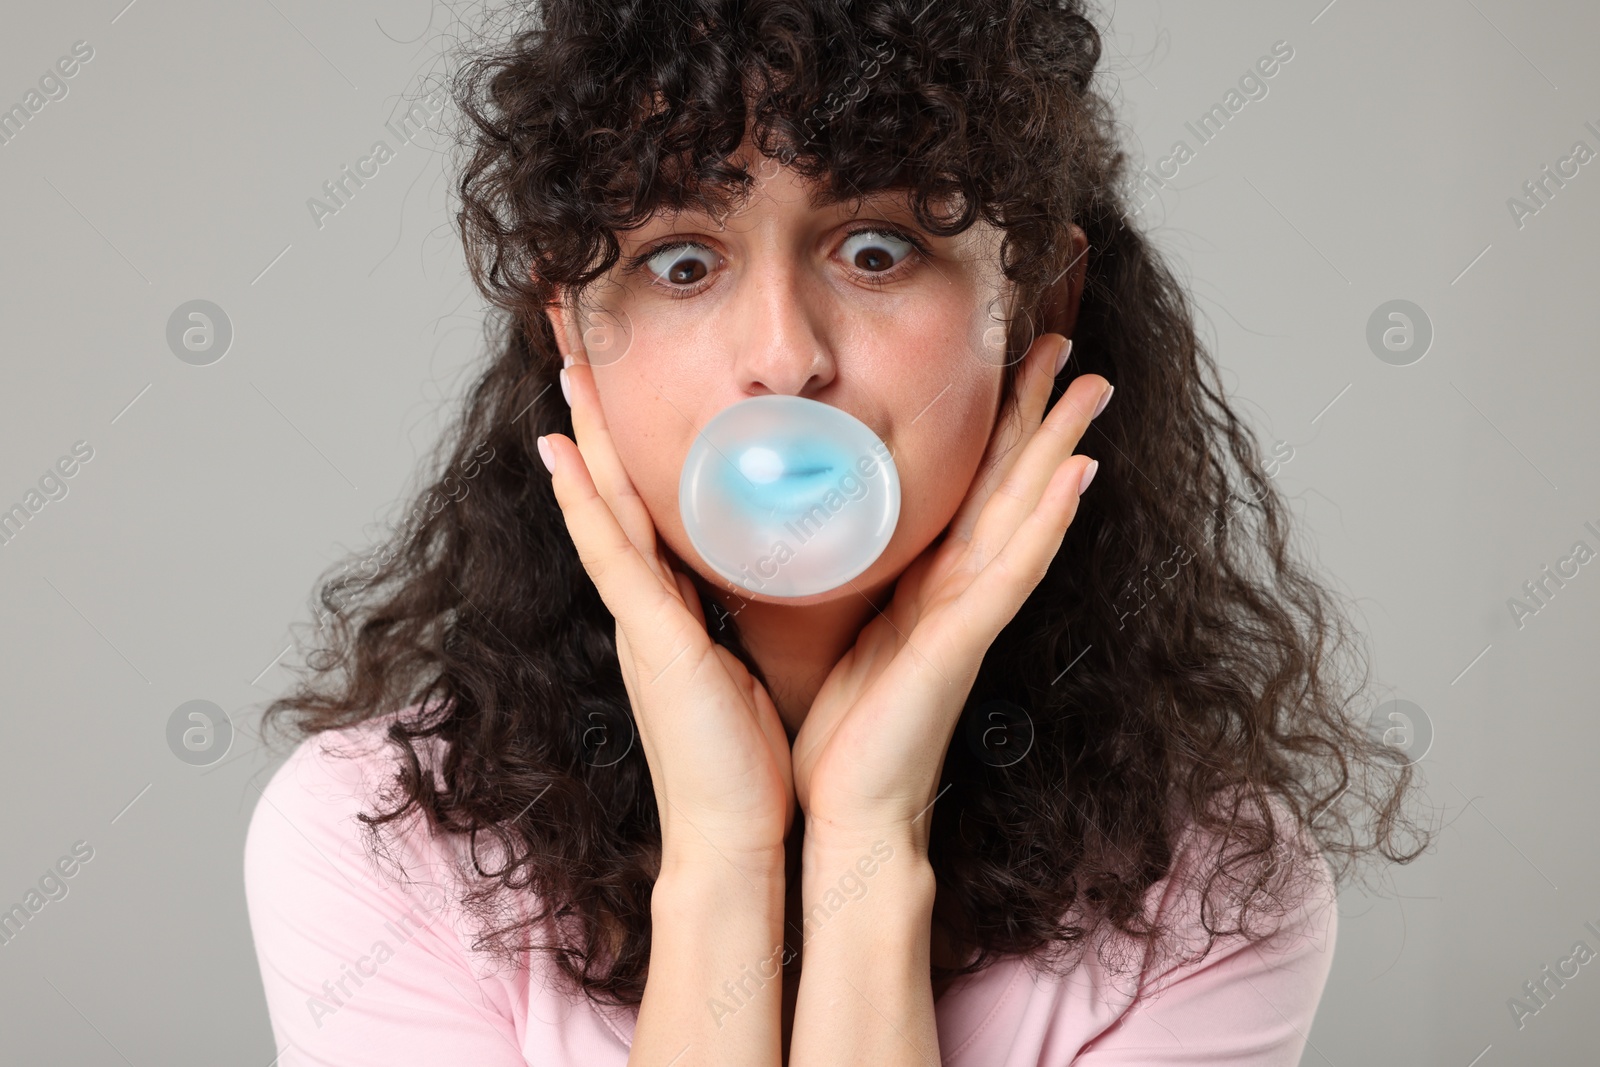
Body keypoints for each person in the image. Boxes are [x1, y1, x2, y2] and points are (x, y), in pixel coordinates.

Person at [243, 2, 1429, 1064]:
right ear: (572, 329)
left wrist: (868, 843)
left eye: (875, 250)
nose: (782, 355)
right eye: (682, 259)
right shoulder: (381, 849)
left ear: (1035, 304)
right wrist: (723, 855)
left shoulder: (1206, 895)